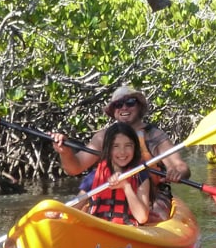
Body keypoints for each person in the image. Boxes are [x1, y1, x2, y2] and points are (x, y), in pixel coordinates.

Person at [51, 85, 190, 222]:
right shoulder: (103, 137)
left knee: (156, 215)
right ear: (113, 110)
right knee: (86, 209)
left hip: (151, 193)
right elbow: (75, 167)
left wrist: (176, 172)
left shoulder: (154, 135)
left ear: (139, 107)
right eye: (118, 104)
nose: (124, 107)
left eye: (130, 103)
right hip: (109, 189)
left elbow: (180, 166)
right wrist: (65, 152)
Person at [77, 122, 152, 225]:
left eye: (128, 145)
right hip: (97, 230)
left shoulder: (140, 175)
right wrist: (58, 213)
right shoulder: (94, 176)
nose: (122, 152)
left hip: (126, 232)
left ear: (135, 147)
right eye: (116, 146)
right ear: (108, 149)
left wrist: (126, 186)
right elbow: (74, 206)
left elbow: (142, 218)